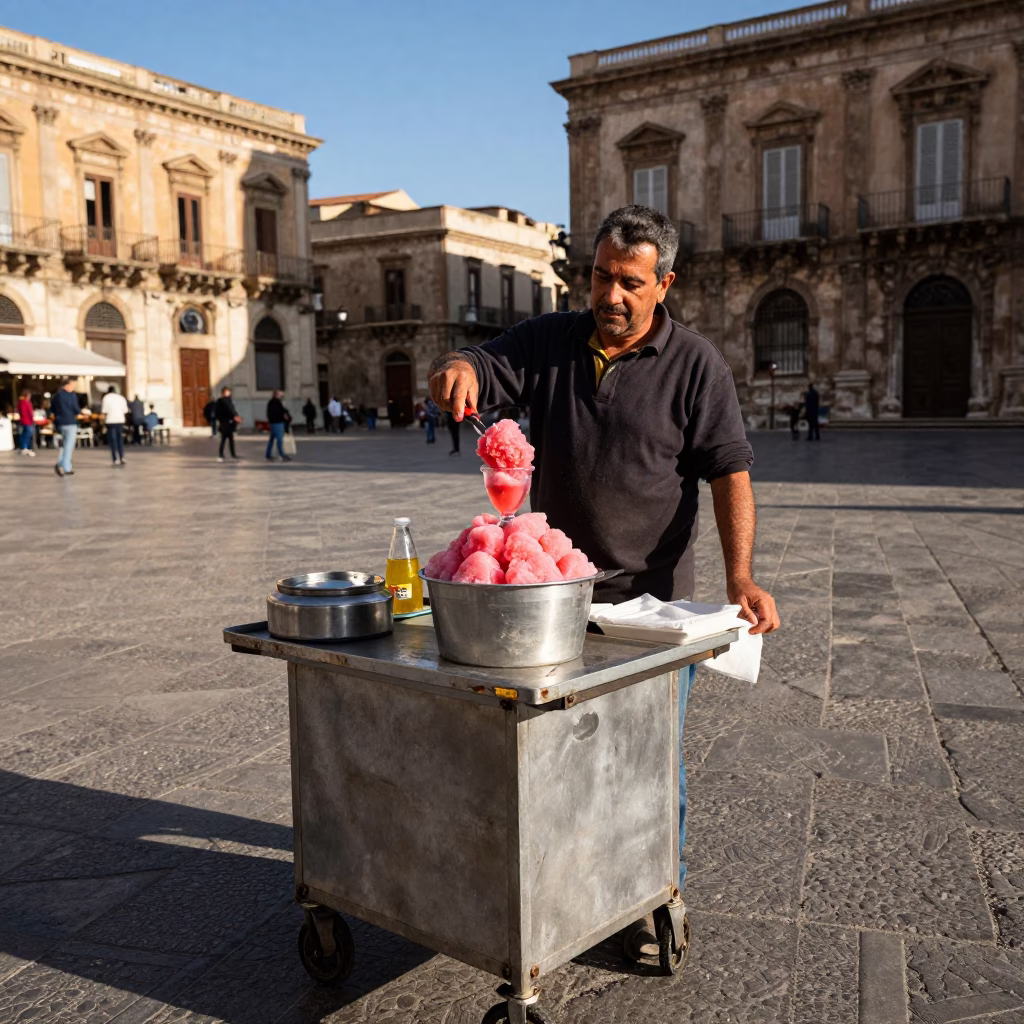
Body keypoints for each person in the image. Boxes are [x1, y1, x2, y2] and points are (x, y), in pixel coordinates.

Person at [429, 206, 780, 919]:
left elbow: (730, 472)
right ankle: (570, 894)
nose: (609, 296)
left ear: (664, 284)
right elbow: (483, 363)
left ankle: (660, 899)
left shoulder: (696, 366)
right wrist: (455, 367)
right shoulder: (554, 340)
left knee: (649, 765)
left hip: (651, 609)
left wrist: (741, 576)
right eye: (599, 277)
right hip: (556, 602)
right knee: (558, 757)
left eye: (628, 282)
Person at [51, 377, 81, 477]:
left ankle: (62, 464)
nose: (73, 387)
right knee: (69, 446)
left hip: (60, 423)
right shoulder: (71, 396)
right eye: (73, 385)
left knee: (64, 445)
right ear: (67, 385)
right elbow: (76, 409)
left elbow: (52, 409)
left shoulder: (57, 396)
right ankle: (65, 467)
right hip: (70, 422)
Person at [101, 385, 129, 467]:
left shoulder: (106, 398)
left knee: (113, 441)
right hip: (120, 420)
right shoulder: (121, 398)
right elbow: (125, 410)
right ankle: (122, 457)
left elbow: (104, 410)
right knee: (119, 439)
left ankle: (115, 459)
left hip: (110, 421)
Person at [215, 386, 242, 461]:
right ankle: (221, 454)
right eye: (227, 392)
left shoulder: (229, 401)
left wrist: (236, 416)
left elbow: (232, 410)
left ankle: (232, 454)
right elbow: (225, 412)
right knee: (224, 439)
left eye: (229, 392)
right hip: (225, 423)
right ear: (224, 393)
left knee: (231, 439)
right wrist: (233, 417)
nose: (229, 393)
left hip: (230, 424)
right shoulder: (221, 402)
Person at [265, 390, 293, 461]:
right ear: (277, 395)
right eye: (280, 394)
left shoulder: (270, 402)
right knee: (279, 440)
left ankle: (268, 454)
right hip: (278, 423)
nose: (281, 396)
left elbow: (269, 413)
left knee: (272, 439)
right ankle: (282, 455)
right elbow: (281, 411)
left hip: (272, 423)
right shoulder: (277, 402)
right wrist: (285, 416)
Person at [16, 390, 35, 457]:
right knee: (27, 433)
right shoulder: (23, 402)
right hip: (26, 420)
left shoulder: (26, 402)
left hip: (28, 420)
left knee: (26, 433)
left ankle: (25, 447)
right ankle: (24, 447)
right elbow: (24, 412)